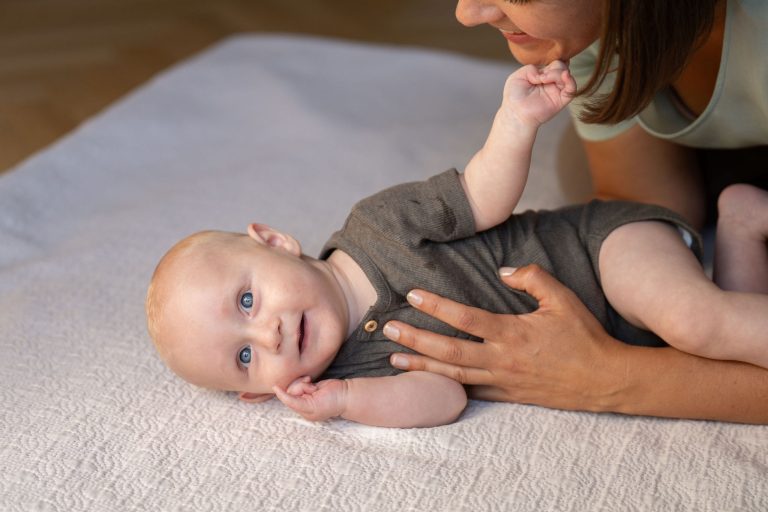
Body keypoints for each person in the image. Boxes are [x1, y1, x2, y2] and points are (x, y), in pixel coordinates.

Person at [146, 61, 768, 428]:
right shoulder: (355, 370)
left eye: (248, 302)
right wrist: (344, 400)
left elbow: (479, 194)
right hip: (621, 326)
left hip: (599, 253)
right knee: (710, 343)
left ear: (276, 242)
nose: (269, 336)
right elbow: (445, 397)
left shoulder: (377, 225)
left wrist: (515, 124)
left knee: (694, 320)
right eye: (246, 359)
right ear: (258, 395)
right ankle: (740, 224)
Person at [382, 0, 768, 424]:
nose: (468, 13)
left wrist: (606, 376)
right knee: (596, 187)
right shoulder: (592, 34)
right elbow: (649, 216)